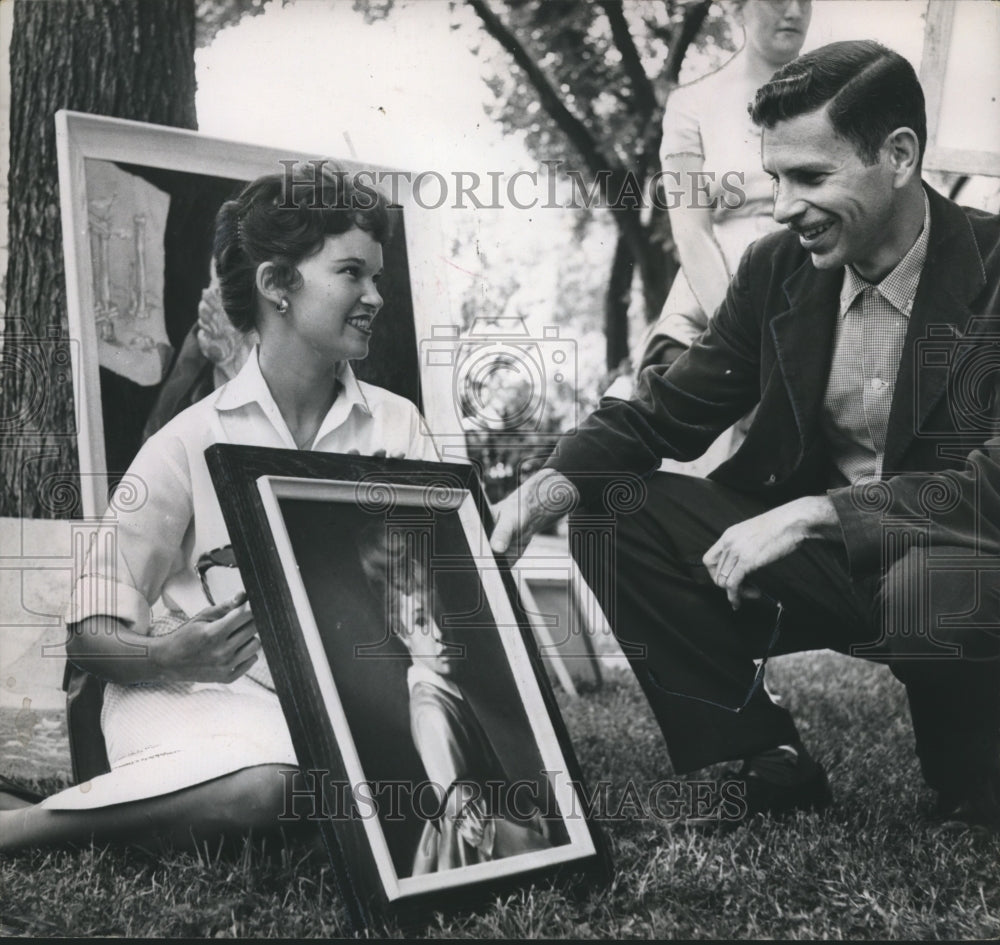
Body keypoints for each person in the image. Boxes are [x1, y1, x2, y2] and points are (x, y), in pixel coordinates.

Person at [491, 41, 1000, 831]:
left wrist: (815, 513)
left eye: (810, 176)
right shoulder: (776, 270)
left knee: (932, 589)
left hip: (956, 559)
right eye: (774, 177)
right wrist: (544, 488)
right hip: (832, 568)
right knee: (612, 509)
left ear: (899, 156)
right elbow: (668, 408)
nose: (782, 206)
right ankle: (766, 758)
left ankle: (975, 783)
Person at [0, 163, 439, 851]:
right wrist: (173, 656)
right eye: (352, 273)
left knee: (373, 800)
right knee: (270, 789)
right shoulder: (187, 441)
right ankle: (17, 829)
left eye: (378, 277)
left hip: (345, 697)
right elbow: (90, 634)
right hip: (192, 694)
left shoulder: (399, 426)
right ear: (275, 286)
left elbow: (439, 585)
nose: (375, 296)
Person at [357, 522, 553, 874]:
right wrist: (523, 841)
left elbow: (492, 770)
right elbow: (460, 807)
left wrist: (522, 804)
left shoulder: (451, 687)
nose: (438, 630)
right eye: (420, 622)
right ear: (402, 634)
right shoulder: (430, 710)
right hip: (478, 836)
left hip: (495, 810)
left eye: (440, 614)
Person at [639, 0, 812, 373]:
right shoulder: (691, 105)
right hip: (714, 297)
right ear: (738, 9)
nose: (795, 11)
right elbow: (691, 234)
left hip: (815, 282)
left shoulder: (839, 99)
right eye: (778, 0)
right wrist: (738, 332)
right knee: (675, 377)